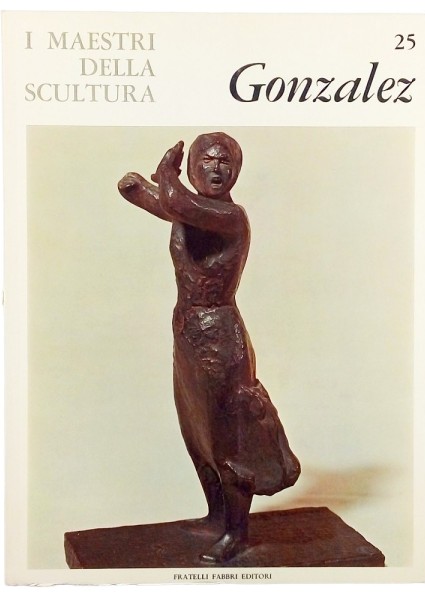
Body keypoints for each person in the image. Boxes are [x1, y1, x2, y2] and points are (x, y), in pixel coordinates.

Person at [118, 132, 300, 563]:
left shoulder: (230, 217)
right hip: (187, 332)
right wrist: (135, 187)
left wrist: (165, 174)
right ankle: (216, 516)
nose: (216, 169)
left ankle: (236, 532)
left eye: (225, 162)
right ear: (194, 167)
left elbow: (175, 202)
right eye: (207, 160)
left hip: (220, 336)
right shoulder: (190, 210)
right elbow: (159, 202)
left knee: (226, 440)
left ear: (236, 171)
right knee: (196, 431)